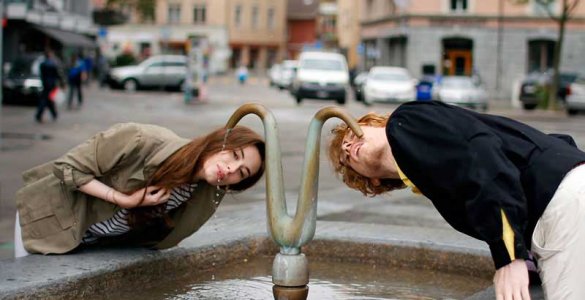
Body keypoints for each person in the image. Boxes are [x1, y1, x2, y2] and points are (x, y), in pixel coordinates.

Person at [327, 101, 585, 299]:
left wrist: (509, 256)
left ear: (375, 124)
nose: (349, 147)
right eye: (346, 157)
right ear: (370, 181)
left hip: (563, 200)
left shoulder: (404, 124)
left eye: (351, 136)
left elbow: (483, 154)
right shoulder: (424, 169)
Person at [14, 123, 265, 257]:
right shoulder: (142, 140)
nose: (231, 168)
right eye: (234, 154)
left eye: (241, 172)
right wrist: (124, 199)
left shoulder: (198, 193)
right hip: (46, 222)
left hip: (86, 243)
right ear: (220, 142)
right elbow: (68, 168)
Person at [35, 49, 64, 123]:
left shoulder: (43, 64)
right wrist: (61, 83)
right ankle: (43, 115)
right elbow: (57, 74)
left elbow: (41, 75)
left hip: (46, 84)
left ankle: (52, 114)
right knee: (46, 100)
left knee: (48, 100)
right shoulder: (52, 64)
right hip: (51, 84)